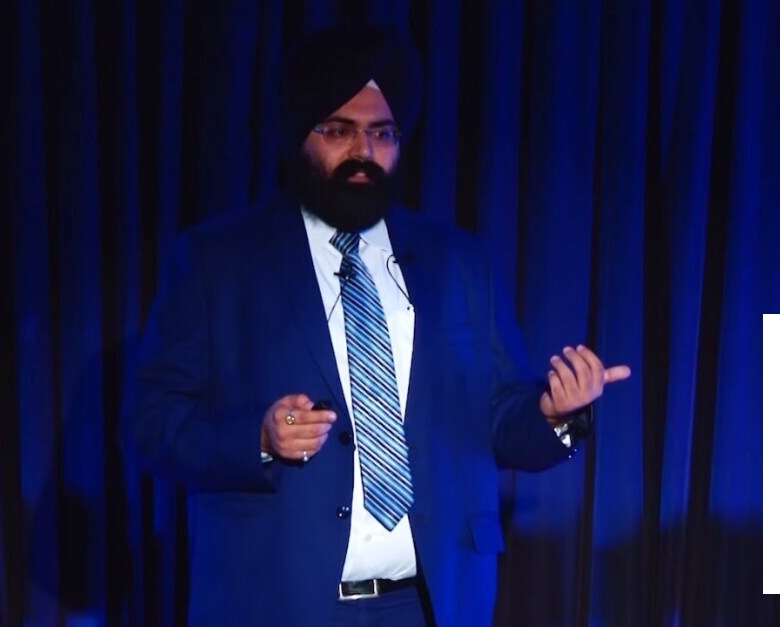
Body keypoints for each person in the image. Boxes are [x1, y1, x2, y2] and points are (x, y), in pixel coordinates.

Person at [123, 25, 629, 627]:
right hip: (277, 603)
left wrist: (554, 414)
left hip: (430, 603)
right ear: (298, 135)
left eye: (382, 133)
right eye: (338, 131)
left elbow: (498, 415)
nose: (363, 150)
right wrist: (258, 437)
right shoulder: (218, 260)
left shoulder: (459, 260)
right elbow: (149, 425)